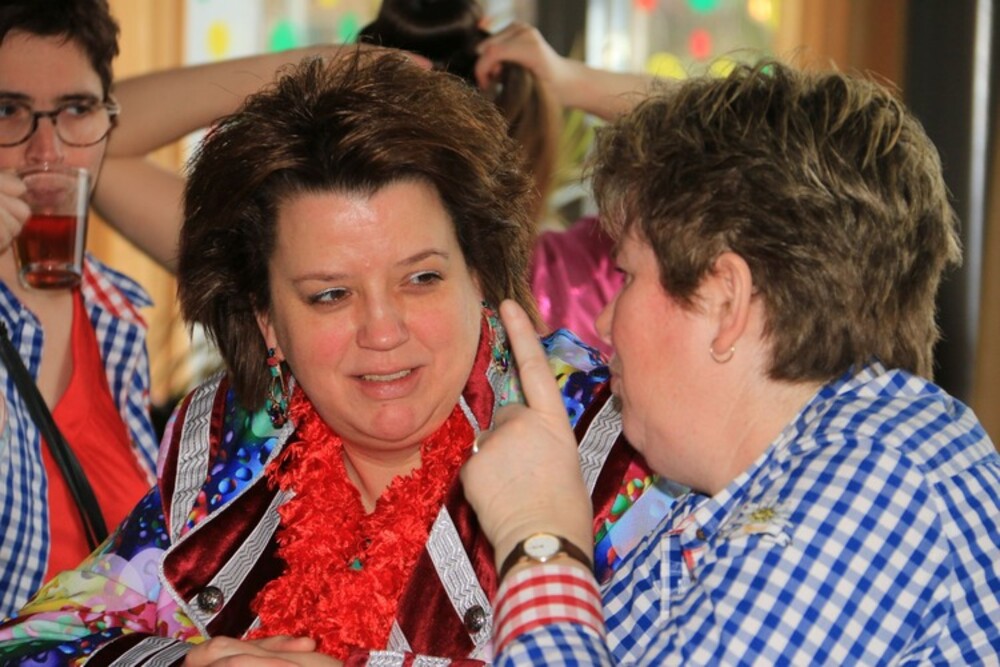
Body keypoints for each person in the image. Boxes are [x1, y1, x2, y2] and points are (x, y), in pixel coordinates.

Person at [0, 52, 672, 665]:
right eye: (330, 294)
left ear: (479, 275)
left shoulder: (615, 447)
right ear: (267, 321)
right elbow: (33, 642)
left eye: (422, 279)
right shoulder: (238, 440)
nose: (382, 330)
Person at [462, 61, 1000, 664]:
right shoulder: (722, 501)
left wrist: (538, 535)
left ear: (725, 302)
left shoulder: (878, 486)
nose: (606, 322)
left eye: (627, 275)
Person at [361, 2, 660, 356]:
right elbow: (718, 140)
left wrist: (315, 63)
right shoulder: (582, 276)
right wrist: (572, 81)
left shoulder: (333, 297)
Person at [0, 0, 160, 618]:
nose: (45, 152)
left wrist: (334, 60)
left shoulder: (115, 315)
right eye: (6, 110)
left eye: (75, 109)